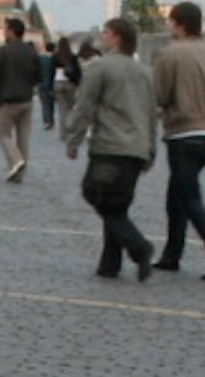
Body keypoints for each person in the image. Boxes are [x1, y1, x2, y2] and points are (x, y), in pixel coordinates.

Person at [64, 18, 157, 281]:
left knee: (96, 194)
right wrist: (151, 149)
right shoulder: (146, 72)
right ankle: (110, 263)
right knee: (118, 204)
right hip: (137, 148)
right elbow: (151, 113)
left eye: (105, 33)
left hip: (110, 146)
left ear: (116, 37)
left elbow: (85, 106)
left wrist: (73, 139)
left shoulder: (100, 67)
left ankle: (139, 246)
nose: (101, 38)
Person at [151, 2, 205, 279]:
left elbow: (160, 95)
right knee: (176, 195)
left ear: (180, 24)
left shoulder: (170, 54)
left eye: (170, 21)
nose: (168, 26)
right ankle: (172, 254)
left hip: (182, 132)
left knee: (189, 196)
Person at [0, 17, 43, 183]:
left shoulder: (2, 51)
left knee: (3, 133)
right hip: (26, 99)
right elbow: (39, 76)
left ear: (11, 31)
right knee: (23, 136)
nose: (4, 32)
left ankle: (16, 160)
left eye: (5, 29)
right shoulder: (31, 52)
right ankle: (19, 174)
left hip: (7, 99)